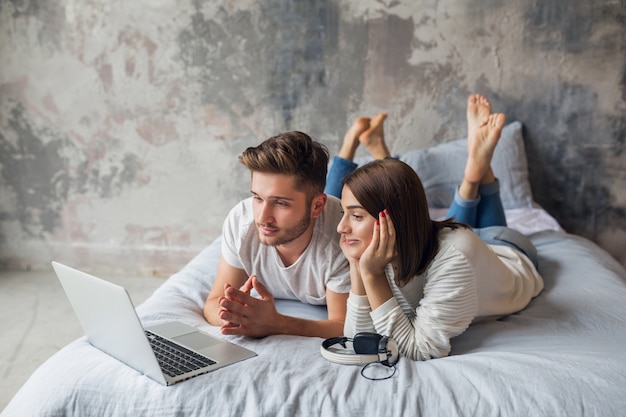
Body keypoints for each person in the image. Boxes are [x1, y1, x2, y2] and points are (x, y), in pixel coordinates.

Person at [327, 94, 544, 360]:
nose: (340, 228)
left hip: (508, 249)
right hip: (456, 242)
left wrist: (371, 275)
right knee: (459, 231)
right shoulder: (375, 250)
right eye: (343, 214)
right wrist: (359, 269)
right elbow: (357, 340)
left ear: (393, 221)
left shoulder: (455, 258)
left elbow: (421, 350)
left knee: (462, 240)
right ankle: (478, 168)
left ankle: (476, 171)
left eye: (356, 216)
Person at [203, 131, 350, 339]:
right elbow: (213, 303)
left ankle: (351, 148)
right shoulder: (242, 222)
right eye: (258, 198)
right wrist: (234, 317)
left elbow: (343, 326)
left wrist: (277, 324)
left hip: (329, 215)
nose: (263, 217)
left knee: (355, 188)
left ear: (318, 206)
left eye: (281, 203)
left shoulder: (342, 237)